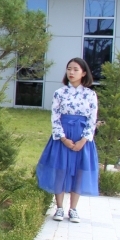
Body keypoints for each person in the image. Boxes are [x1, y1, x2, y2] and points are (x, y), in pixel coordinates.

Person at [36, 57, 99, 223]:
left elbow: (92, 119)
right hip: (62, 135)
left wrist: (83, 140)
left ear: (84, 73)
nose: (71, 72)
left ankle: (73, 209)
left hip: (81, 136)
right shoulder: (60, 93)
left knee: (78, 171)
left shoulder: (90, 95)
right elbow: (55, 117)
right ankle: (59, 207)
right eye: (69, 69)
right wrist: (63, 138)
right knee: (60, 169)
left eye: (76, 69)